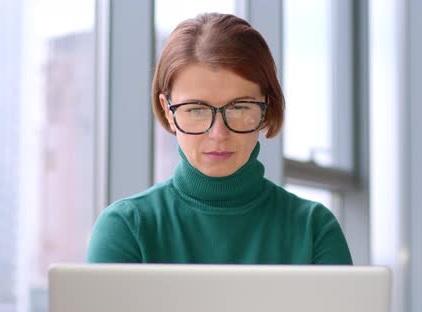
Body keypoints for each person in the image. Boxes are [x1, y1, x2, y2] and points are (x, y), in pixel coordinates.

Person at [87, 13, 352, 264]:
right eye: (197, 110)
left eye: (239, 108)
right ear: (168, 111)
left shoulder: (314, 229)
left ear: (266, 109)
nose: (218, 134)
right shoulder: (126, 228)